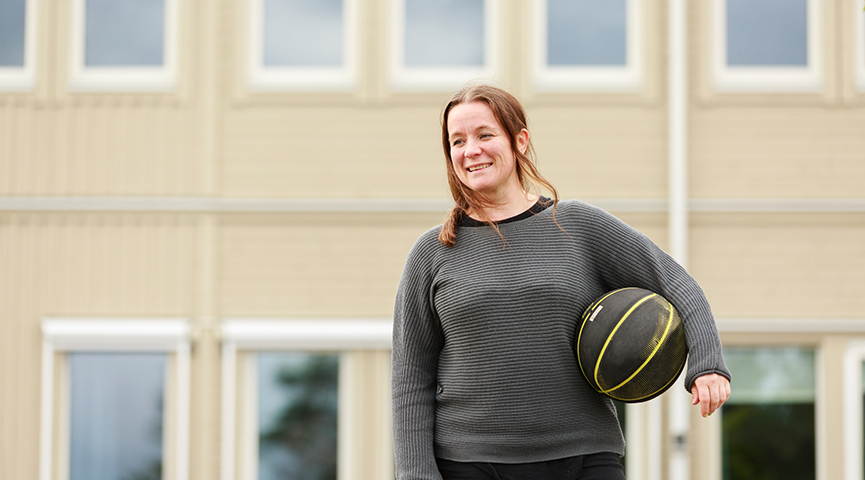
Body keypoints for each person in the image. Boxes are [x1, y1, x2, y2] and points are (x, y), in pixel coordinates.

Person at [391, 83, 731, 480]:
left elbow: (676, 282)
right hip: (470, 465)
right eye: (457, 141)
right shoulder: (432, 252)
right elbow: (411, 379)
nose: (471, 150)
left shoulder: (577, 225)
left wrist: (707, 363)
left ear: (519, 141)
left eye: (485, 135)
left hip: (584, 457)